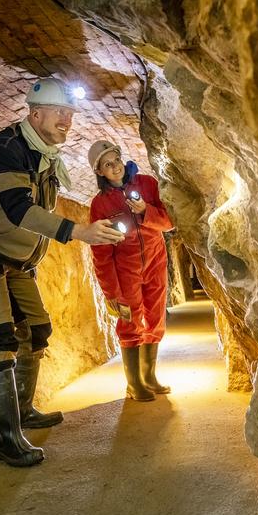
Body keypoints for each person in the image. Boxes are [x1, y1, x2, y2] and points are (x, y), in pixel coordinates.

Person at [0, 78, 125, 467]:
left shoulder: (44, 154)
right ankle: (7, 440)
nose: (67, 120)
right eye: (60, 112)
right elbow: (17, 209)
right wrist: (78, 231)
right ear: (35, 113)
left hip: (16, 261)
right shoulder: (5, 148)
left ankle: (24, 409)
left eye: (70, 113)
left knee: (38, 329)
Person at [87, 140, 174, 402]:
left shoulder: (147, 184)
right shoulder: (100, 204)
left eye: (116, 160)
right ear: (100, 171)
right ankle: (134, 382)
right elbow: (101, 253)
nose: (116, 168)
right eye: (108, 165)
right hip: (125, 269)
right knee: (129, 321)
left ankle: (150, 377)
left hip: (156, 261)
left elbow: (169, 223)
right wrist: (111, 291)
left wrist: (146, 210)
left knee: (156, 318)